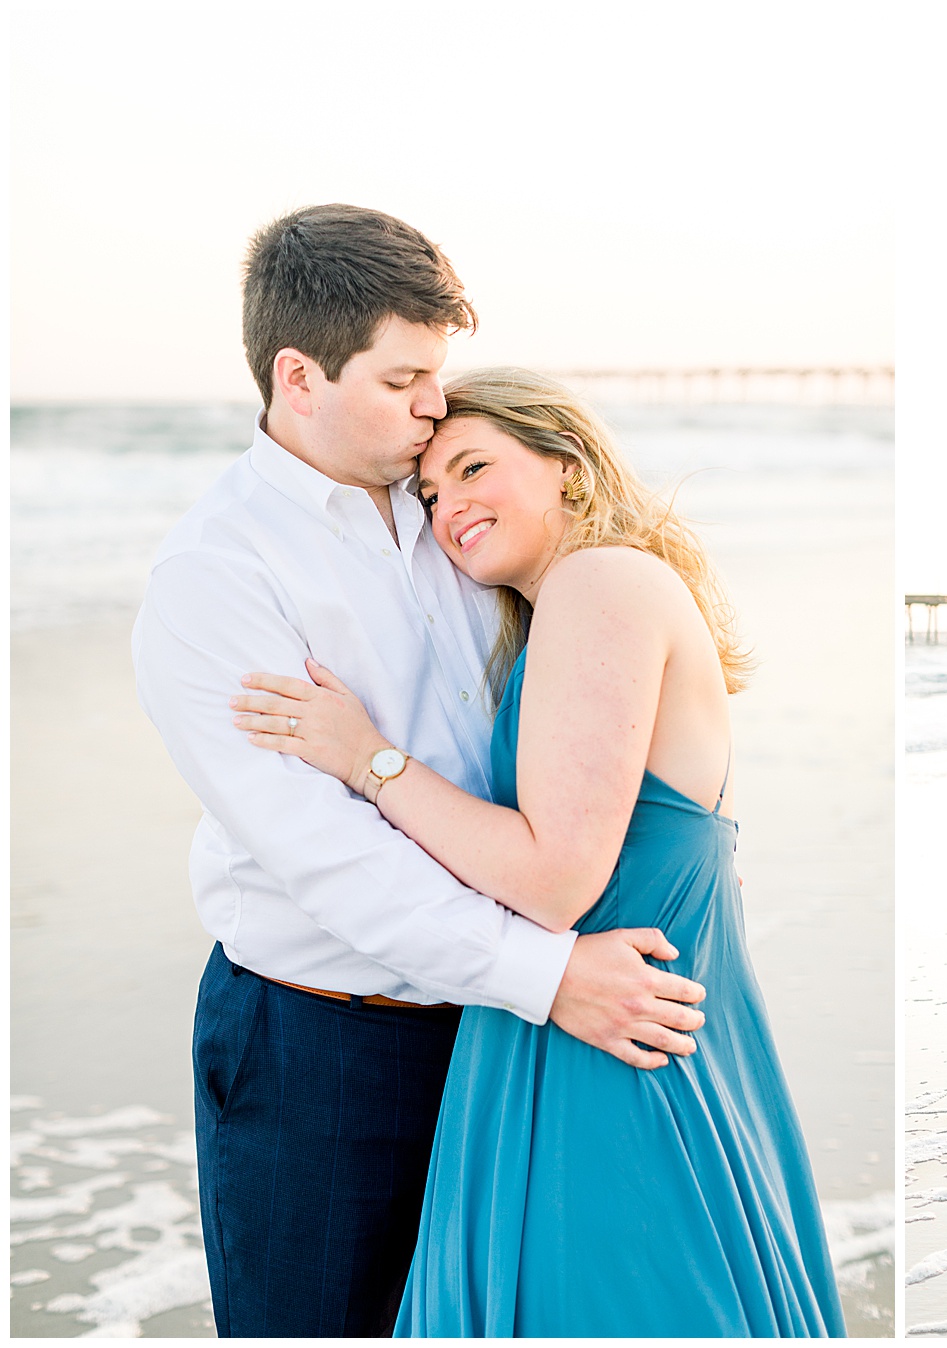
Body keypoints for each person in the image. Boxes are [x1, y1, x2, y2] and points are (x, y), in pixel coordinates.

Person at [132, 205, 710, 1338]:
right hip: (326, 1045)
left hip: (504, 1031)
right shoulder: (216, 576)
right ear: (299, 377)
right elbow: (331, 861)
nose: (433, 406)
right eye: (404, 381)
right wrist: (548, 977)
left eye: (436, 377)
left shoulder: (458, 511)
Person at [231, 367, 845, 1336]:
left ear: (566, 462)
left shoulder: (600, 583)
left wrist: (366, 757)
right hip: (595, 1019)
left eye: (475, 467)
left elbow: (555, 879)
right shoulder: (576, 603)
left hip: (611, 1047)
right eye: (430, 494)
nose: (451, 507)